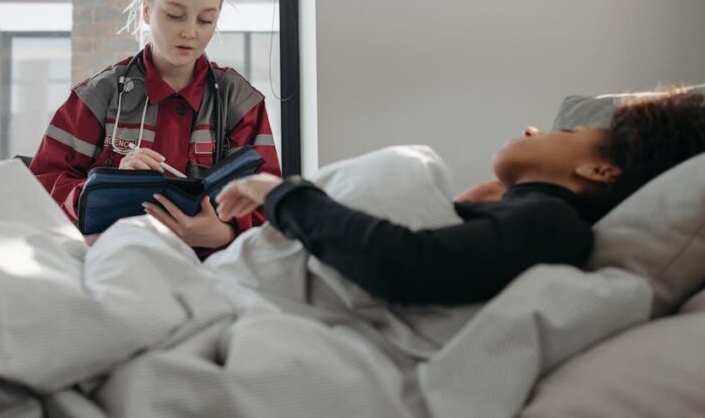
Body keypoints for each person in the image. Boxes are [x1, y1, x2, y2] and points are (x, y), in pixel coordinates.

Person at [216, 88, 705, 305]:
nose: (535, 129)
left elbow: (408, 263)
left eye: (569, 131)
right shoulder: (525, 212)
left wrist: (281, 193)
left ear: (598, 169)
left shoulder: (553, 224)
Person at [30, 0, 281, 254]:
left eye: (205, 20)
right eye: (175, 15)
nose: (190, 32)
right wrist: (109, 181)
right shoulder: (95, 98)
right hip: (116, 259)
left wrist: (223, 233)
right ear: (147, 10)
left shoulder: (242, 103)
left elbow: (271, 199)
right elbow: (39, 189)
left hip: (212, 268)